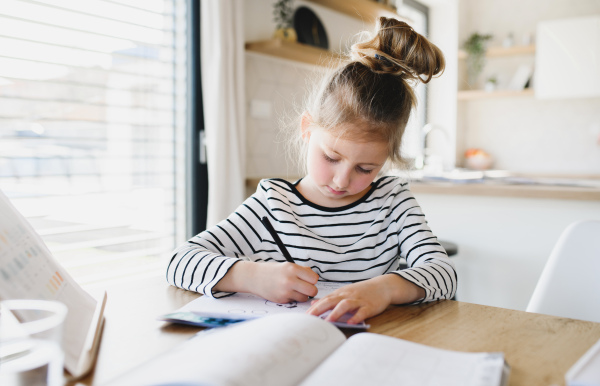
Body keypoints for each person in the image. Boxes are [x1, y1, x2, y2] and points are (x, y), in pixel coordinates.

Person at [166, 17, 456, 324]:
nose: (342, 180)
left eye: (366, 168)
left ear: (387, 159)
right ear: (307, 129)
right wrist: (252, 276)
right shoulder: (273, 204)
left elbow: (444, 274)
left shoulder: (392, 202)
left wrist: (384, 289)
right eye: (331, 158)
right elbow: (179, 262)